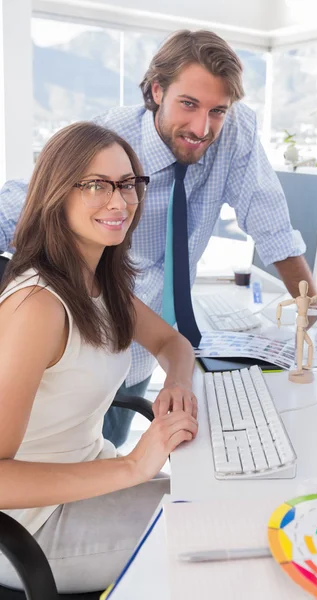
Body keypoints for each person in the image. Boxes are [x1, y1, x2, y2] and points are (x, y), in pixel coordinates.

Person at [0, 29, 317, 448]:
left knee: (102, 447)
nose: (203, 127)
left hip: (137, 341)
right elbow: (24, 204)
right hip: (74, 344)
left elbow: (273, 231)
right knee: (54, 454)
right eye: (189, 104)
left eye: (218, 110)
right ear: (157, 90)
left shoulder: (232, 131)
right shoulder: (110, 143)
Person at [0, 122, 198, 593]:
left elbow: (175, 344)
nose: (119, 201)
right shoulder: (38, 308)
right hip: (32, 525)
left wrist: (177, 384)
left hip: (92, 481)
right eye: (95, 185)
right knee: (214, 531)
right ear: (56, 193)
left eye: (127, 183)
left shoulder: (101, 283)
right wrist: (133, 466)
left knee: (214, 501)